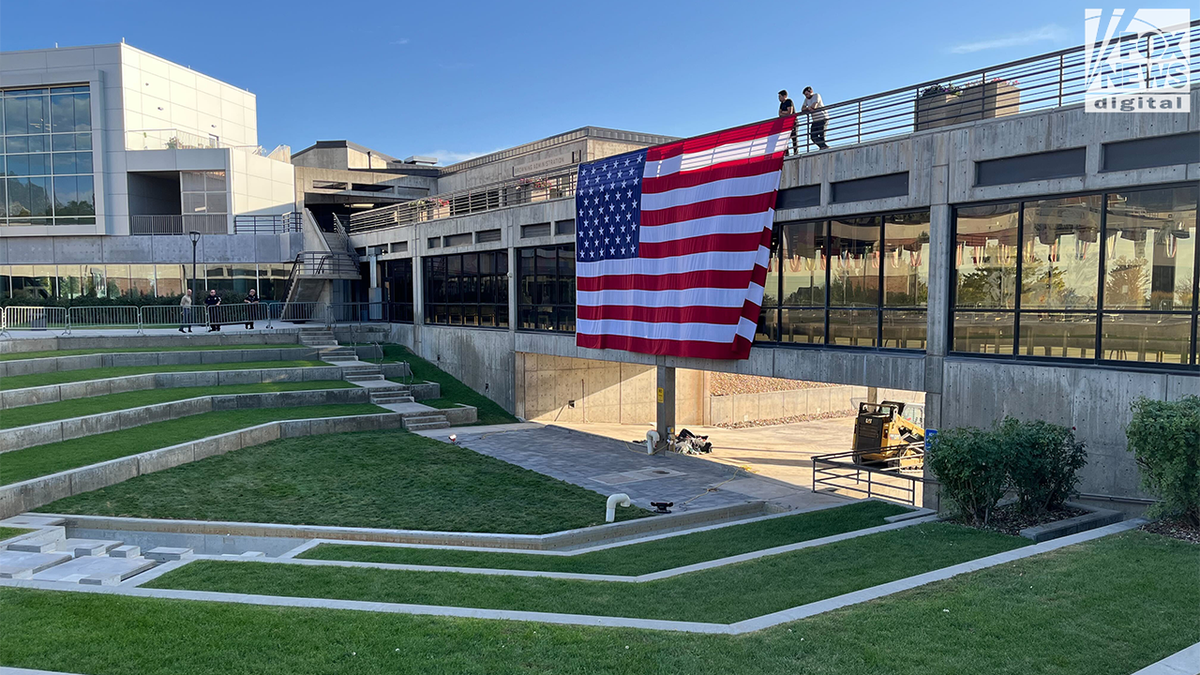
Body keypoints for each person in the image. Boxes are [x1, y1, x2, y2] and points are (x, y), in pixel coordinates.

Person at [778, 89, 798, 154]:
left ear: (784, 96)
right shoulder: (781, 104)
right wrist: (784, 112)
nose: (779, 98)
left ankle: (795, 152)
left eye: (780, 96)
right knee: (785, 138)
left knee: (794, 137)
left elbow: (790, 112)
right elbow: (779, 113)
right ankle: (787, 153)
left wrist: (783, 113)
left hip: (793, 122)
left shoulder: (789, 101)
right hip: (786, 123)